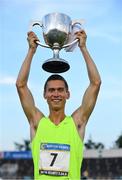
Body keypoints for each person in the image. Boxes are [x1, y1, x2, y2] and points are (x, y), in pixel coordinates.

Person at [16, 29, 101, 180]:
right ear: (45, 95)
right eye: (52, 90)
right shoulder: (37, 123)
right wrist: (31, 51)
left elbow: (95, 83)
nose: (56, 94)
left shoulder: (77, 123)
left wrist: (83, 48)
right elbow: (20, 85)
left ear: (67, 94)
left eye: (60, 90)